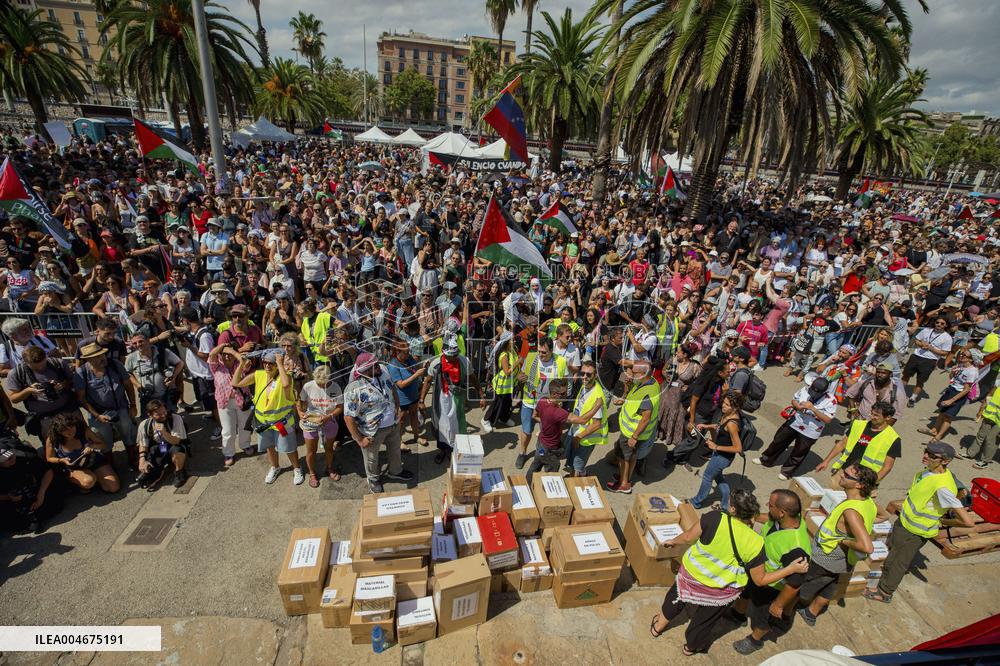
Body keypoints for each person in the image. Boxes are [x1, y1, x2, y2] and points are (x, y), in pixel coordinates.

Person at [648, 489, 808, 655]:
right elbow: (760, 580)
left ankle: (658, 626)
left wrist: (673, 541)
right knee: (704, 620)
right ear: (752, 515)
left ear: (732, 509)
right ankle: (691, 647)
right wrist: (790, 569)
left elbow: (688, 537)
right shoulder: (756, 542)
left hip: (692, 577)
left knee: (675, 598)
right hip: (719, 590)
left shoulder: (714, 517)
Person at [864, 442, 974, 604]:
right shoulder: (929, 472)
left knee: (898, 562)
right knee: (893, 554)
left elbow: (968, 522)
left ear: (945, 461)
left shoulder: (943, 486)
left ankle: (885, 592)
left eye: (932, 456)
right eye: (926, 451)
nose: (925, 456)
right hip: (905, 522)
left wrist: (942, 520)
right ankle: (883, 578)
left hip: (914, 532)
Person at [730, 489, 812, 655]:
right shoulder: (785, 519)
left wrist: (779, 604)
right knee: (744, 593)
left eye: (771, 505)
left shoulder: (797, 548)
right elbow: (768, 519)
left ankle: (755, 640)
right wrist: (750, 517)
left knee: (766, 615)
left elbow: (795, 583)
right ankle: (738, 615)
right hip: (756, 570)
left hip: (772, 585)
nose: (767, 506)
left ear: (782, 513)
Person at [795, 464, 878, 627]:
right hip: (844, 561)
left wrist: (843, 540)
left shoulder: (851, 511)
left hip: (827, 556)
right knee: (830, 583)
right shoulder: (868, 502)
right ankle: (811, 613)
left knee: (799, 582)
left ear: (859, 484)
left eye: (846, 475)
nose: (841, 475)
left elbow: (867, 547)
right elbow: (883, 516)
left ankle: (785, 608)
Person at [344, 352, 412, 494]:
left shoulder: (383, 373)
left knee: (395, 451)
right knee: (371, 459)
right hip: (371, 431)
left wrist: (397, 408)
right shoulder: (354, 389)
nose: (379, 366)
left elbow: (392, 388)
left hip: (392, 424)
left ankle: (395, 471)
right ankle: (373, 479)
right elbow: (348, 417)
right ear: (366, 369)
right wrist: (360, 439)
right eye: (374, 365)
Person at [233, 349, 302, 486]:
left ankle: (297, 468)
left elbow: (286, 385)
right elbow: (236, 383)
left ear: (277, 364)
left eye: (271, 363)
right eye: (265, 363)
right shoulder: (259, 375)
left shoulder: (286, 376)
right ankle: (275, 467)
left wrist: (281, 365)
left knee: (288, 447)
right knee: (269, 446)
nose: (267, 366)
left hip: (281, 424)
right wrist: (241, 363)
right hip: (263, 423)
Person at [753, 377, 836, 480]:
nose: (813, 393)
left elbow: (828, 419)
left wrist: (813, 409)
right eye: (812, 389)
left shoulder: (831, 400)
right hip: (795, 422)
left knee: (799, 452)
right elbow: (794, 400)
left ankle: (787, 472)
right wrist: (798, 406)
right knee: (778, 441)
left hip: (810, 431)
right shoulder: (805, 389)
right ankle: (766, 459)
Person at [421, 336, 485, 464]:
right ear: (444, 353)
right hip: (440, 401)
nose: (453, 358)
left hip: (457, 401)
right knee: (442, 427)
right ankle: (443, 450)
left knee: (456, 426)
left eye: (455, 355)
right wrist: (421, 400)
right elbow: (427, 381)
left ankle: (454, 450)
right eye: (450, 356)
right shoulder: (436, 363)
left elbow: (473, 378)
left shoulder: (464, 361)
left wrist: (481, 394)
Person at [74, 342, 139, 469]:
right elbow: (81, 399)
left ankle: (134, 460)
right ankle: (110, 467)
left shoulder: (115, 365)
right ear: (88, 359)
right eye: (97, 356)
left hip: (121, 408)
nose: (102, 358)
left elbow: (128, 386)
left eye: (102, 354)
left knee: (129, 434)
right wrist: (97, 416)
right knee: (103, 441)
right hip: (98, 413)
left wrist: (133, 405)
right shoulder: (81, 373)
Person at [515, 337, 568, 470]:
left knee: (546, 433)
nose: (540, 354)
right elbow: (521, 373)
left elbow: (565, 382)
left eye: (544, 352)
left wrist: (562, 400)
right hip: (529, 402)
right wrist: (519, 377)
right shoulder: (532, 356)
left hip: (548, 406)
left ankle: (543, 457)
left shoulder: (560, 361)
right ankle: (522, 453)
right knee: (526, 430)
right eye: (539, 351)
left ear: (551, 350)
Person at [816, 401, 900, 483]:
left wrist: (872, 483)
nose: (872, 417)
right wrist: (826, 461)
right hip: (845, 471)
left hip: (864, 479)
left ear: (888, 417)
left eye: (876, 415)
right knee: (830, 494)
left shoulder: (893, 438)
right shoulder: (858, 425)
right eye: (872, 413)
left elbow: (887, 467)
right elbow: (842, 444)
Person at [608, 360, 660, 494]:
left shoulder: (647, 394)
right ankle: (626, 479)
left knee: (623, 457)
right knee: (631, 456)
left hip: (632, 432)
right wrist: (628, 388)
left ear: (643, 374)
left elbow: (645, 418)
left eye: (634, 373)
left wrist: (634, 437)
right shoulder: (651, 382)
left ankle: (624, 484)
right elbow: (635, 396)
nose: (631, 374)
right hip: (634, 432)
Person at [5, 345, 77, 439]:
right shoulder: (16, 373)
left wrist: (62, 385)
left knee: (79, 436)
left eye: (43, 364)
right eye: (36, 367)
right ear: (25, 362)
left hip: (69, 410)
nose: (41, 369)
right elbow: (13, 399)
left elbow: (74, 382)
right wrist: (29, 390)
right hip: (45, 418)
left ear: (46, 357)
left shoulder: (57, 363)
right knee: (53, 444)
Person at [690, 391, 745, 511]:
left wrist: (715, 447)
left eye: (727, 405)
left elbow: (738, 448)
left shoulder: (732, 424)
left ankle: (696, 501)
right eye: (723, 403)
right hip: (720, 454)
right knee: (718, 476)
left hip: (722, 457)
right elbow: (720, 426)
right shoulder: (728, 415)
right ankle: (726, 503)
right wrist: (707, 426)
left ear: (735, 407)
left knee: (707, 477)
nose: (723, 406)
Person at [44, 412, 120, 494]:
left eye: (72, 427)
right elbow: (49, 458)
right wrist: (61, 460)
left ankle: (96, 478)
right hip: (74, 467)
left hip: (93, 461)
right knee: (88, 481)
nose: (70, 432)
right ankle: (73, 483)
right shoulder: (53, 439)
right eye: (65, 430)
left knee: (113, 488)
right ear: (58, 431)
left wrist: (92, 446)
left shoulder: (84, 431)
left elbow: (103, 444)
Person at [0, 443, 65, 534]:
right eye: (5, 460)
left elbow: (48, 471)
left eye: (11, 456)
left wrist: (41, 493)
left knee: (56, 501)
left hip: (35, 490)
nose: (11, 460)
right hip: (14, 499)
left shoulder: (25, 457)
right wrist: (8, 497)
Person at [920, 348, 980, 444]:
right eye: (962, 354)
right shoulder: (961, 365)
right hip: (951, 390)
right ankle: (934, 430)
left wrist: (952, 400)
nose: (961, 355)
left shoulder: (972, 372)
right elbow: (952, 379)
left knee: (948, 416)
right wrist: (952, 373)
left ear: (971, 359)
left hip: (958, 395)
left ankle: (938, 436)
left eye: (964, 355)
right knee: (942, 412)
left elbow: (966, 389)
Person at [297, 365, 344, 487]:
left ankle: (329, 468)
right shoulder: (308, 386)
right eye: (319, 384)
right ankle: (312, 473)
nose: (322, 386)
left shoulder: (336, 387)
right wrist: (300, 412)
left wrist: (330, 416)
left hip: (329, 421)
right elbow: (300, 401)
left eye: (324, 384)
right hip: (311, 421)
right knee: (311, 451)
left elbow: (340, 407)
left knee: (329, 449)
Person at [207, 342, 252, 467]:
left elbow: (247, 362)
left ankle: (245, 445)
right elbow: (212, 354)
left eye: (230, 354)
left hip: (242, 401)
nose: (227, 357)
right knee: (228, 430)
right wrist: (223, 347)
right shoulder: (216, 366)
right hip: (224, 402)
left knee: (244, 426)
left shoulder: (241, 364)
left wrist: (233, 351)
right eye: (224, 354)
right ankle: (228, 452)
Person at [564, 359, 608, 477]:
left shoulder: (597, 396)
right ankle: (578, 473)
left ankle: (575, 480)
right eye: (582, 373)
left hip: (585, 439)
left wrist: (578, 437)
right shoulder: (585, 386)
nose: (584, 377)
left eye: (588, 374)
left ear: (595, 375)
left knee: (576, 467)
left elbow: (596, 424)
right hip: (577, 431)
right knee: (573, 462)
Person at [135, 399, 190, 489]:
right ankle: (154, 472)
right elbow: (143, 444)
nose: (163, 415)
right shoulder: (144, 425)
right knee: (152, 458)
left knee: (178, 451)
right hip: (159, 446)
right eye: (158, 414)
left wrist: (164, 432)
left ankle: (179, 472)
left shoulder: (175, 418)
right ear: (150, 415)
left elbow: (176, 441)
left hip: (173, 444)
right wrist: (142, 459)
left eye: (164, 411)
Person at [125, 331, 184, 413]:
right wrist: (138, 386)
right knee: (148, 421)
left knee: (170, 417)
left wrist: (173, 377)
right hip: (147, 397)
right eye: (135, 343)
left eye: (141, 341)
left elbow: (180, 363)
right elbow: (128, 373)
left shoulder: (163, 352)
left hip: (166, 393)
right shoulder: (131, 358)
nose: (138, 344)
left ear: (148, 341)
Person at [902, 316, 953, 407]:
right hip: (916, 356)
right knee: (906, 375)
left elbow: (945, 353)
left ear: (946, 325)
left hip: (930, 361)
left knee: (920, 381)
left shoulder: (947, 338)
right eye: (937, 322)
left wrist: (931, 348)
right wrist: (921, 344)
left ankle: (913, 398)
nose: (939, 325)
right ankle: (899, 393)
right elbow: (916, 340)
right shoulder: (926, 330)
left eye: (942, 324)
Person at [388, 340, 427, 450]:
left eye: (408, 352)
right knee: (400, 420)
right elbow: (401, 385)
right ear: (397, 352)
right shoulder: (393, 365)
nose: (408, 354)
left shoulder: (408, 359)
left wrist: (422, 367)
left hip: (413, 394)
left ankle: (416, 436)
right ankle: (400, 441)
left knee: (414, 415)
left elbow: (414, 368)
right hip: (401, 398)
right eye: (405, 352)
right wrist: (417, 375)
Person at [481, 331, 518, 433]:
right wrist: (518, 362)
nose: (514, 341)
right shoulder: (503, 355)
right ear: (506, 342)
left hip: (510, 384)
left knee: (507, 402)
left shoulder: (512, 351)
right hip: (502, 384)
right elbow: (507, 372)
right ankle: (486, 420)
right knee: (497, 403)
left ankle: (504, 418)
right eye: (511, 340)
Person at [967, 384, 1000, 469]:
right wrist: (981, 410)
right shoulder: (998, 383)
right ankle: (970, 454)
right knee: (981, 435)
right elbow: (989, 396)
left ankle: (985, 461)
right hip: (990, 415)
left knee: (991, 440)